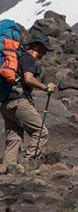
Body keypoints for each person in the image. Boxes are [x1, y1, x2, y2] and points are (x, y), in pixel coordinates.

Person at [0, 34, 57, 171]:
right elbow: (28, 79)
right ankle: (27, 163)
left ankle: (8, 170)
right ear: (36, 46)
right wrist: (46, 87)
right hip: (19, 102)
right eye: (43, 50)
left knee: (14, 139)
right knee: (41, 132)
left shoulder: (18, 58)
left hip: (6, 104)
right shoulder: (28, 58)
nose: (43, 54)